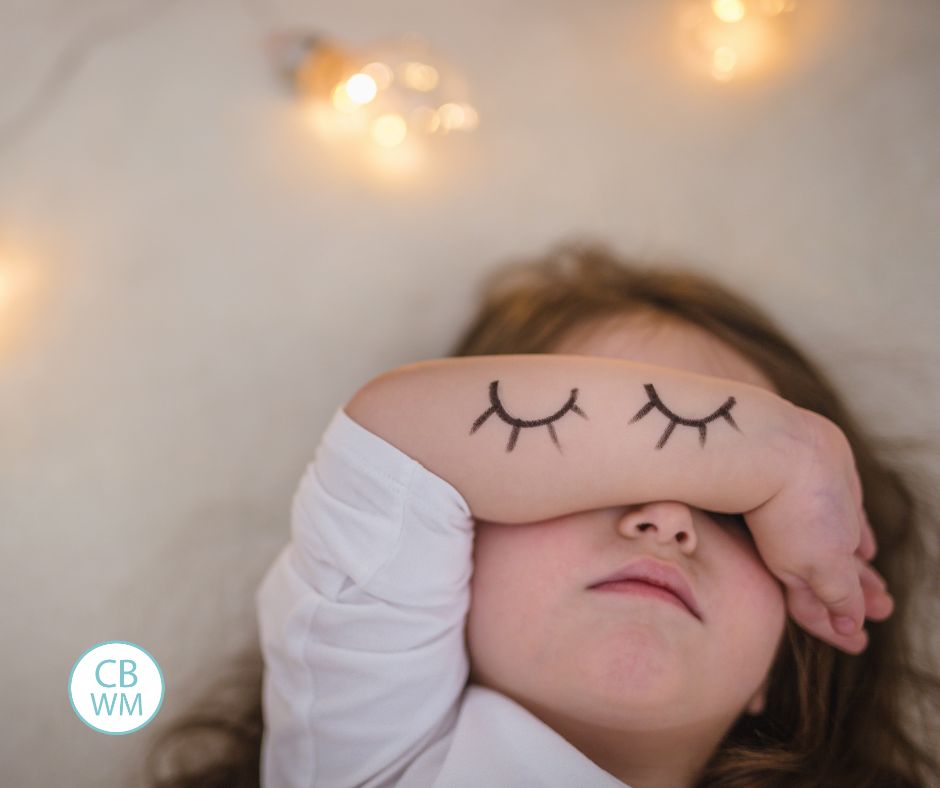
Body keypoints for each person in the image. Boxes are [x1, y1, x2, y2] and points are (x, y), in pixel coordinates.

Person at [144, 241, 940, 787]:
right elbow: (395, 446)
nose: (666, 521)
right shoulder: (372, 752)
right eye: (590, 480)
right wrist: (788, 452)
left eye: (736, 507)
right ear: (445, 547)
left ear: (780, 664)